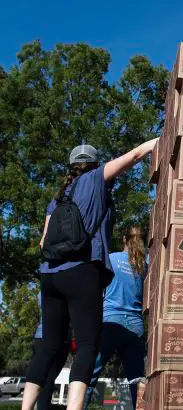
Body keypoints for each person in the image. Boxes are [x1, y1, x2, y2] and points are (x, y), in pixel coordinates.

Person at [22, 139, 158, 410]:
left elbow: (43, 242)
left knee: (48, 347)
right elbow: (133, 155)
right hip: (82, 273)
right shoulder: (96, 179)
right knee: (86, 345)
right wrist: (160, 138)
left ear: (72, 166)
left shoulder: (58, 197)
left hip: (49, 275)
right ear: (95, 164)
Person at [84, 226, 149, 409]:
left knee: (89, 376)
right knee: (136, 381)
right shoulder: (146, 264)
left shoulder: (111, 259)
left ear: (123, 239)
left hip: (110, 322)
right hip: (136, 325)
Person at [32, 292, 72, 410]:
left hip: (41, 336)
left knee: (38, 379)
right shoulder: (66, 287)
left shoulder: (44, 288)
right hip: (58, 337)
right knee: (47, 381)